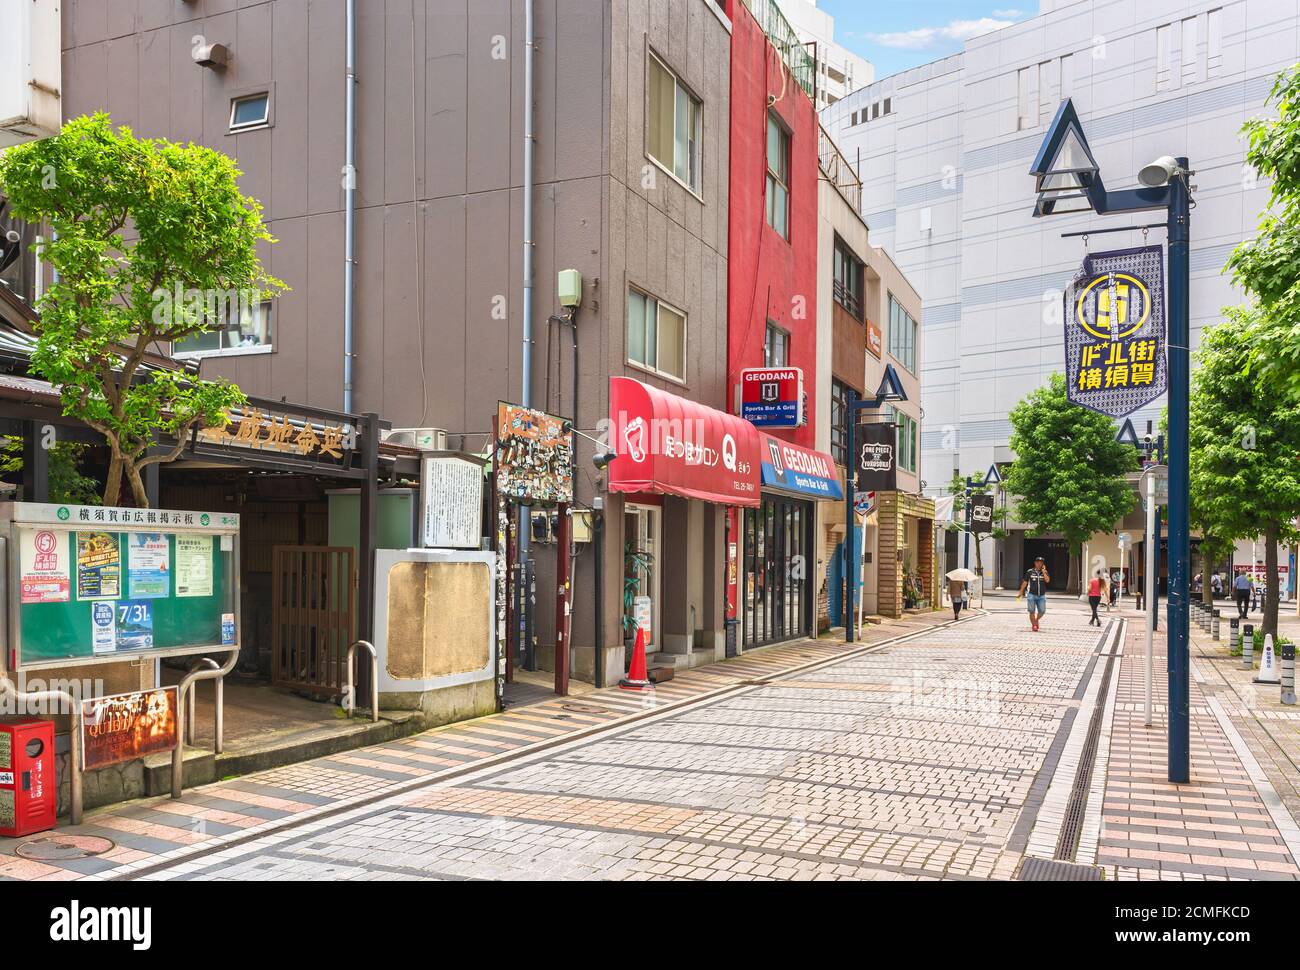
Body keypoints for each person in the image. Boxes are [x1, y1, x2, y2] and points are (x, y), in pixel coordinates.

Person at [1018, 556, 1051, 632]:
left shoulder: (1045, 572)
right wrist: (1021, 591)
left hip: (1041, 595)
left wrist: (1043, 572)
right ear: (1035, 563)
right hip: (1031, 595)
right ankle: (1034, 625)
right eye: (1038, 562)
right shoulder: (1030, 572)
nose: (1039, 564)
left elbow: (1047, 580)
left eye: (1041, 563)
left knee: (1042, 611)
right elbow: (1025, 582)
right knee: (1031, 611)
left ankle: (1035, 620)